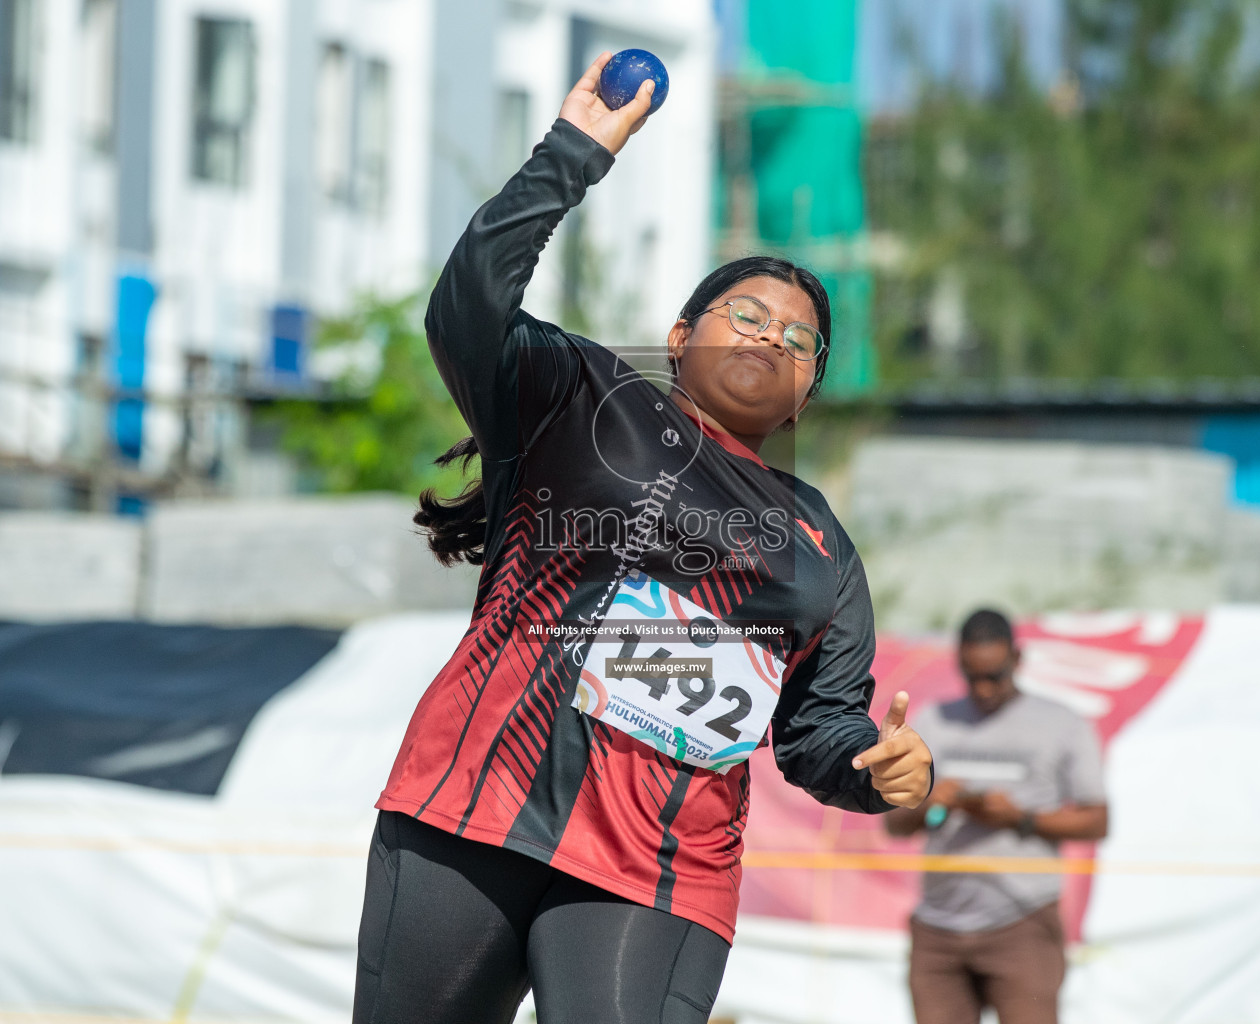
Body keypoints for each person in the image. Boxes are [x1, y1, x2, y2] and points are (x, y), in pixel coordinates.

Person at [353, 53, 933, 1024]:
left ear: (807, 394)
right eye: (746, 314)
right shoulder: (582, 394)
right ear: (678, 336)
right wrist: (572, 152)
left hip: (658, 871)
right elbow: (467, 309)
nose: (769, 339)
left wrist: (877, 768)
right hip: (475, 807)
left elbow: (813, 731)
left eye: (799, 343)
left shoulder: (821, 545)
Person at [885, 608, 1109, 1024]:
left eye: (995, 676)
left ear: (1018, 660)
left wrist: (1020, 818)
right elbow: (893, 824)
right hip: (939, 927)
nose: (984, 689)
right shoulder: (933, 722)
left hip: (1022, 921)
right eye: (973, 677)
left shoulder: (1062, 723)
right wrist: (933, 804)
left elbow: (1097, 821)